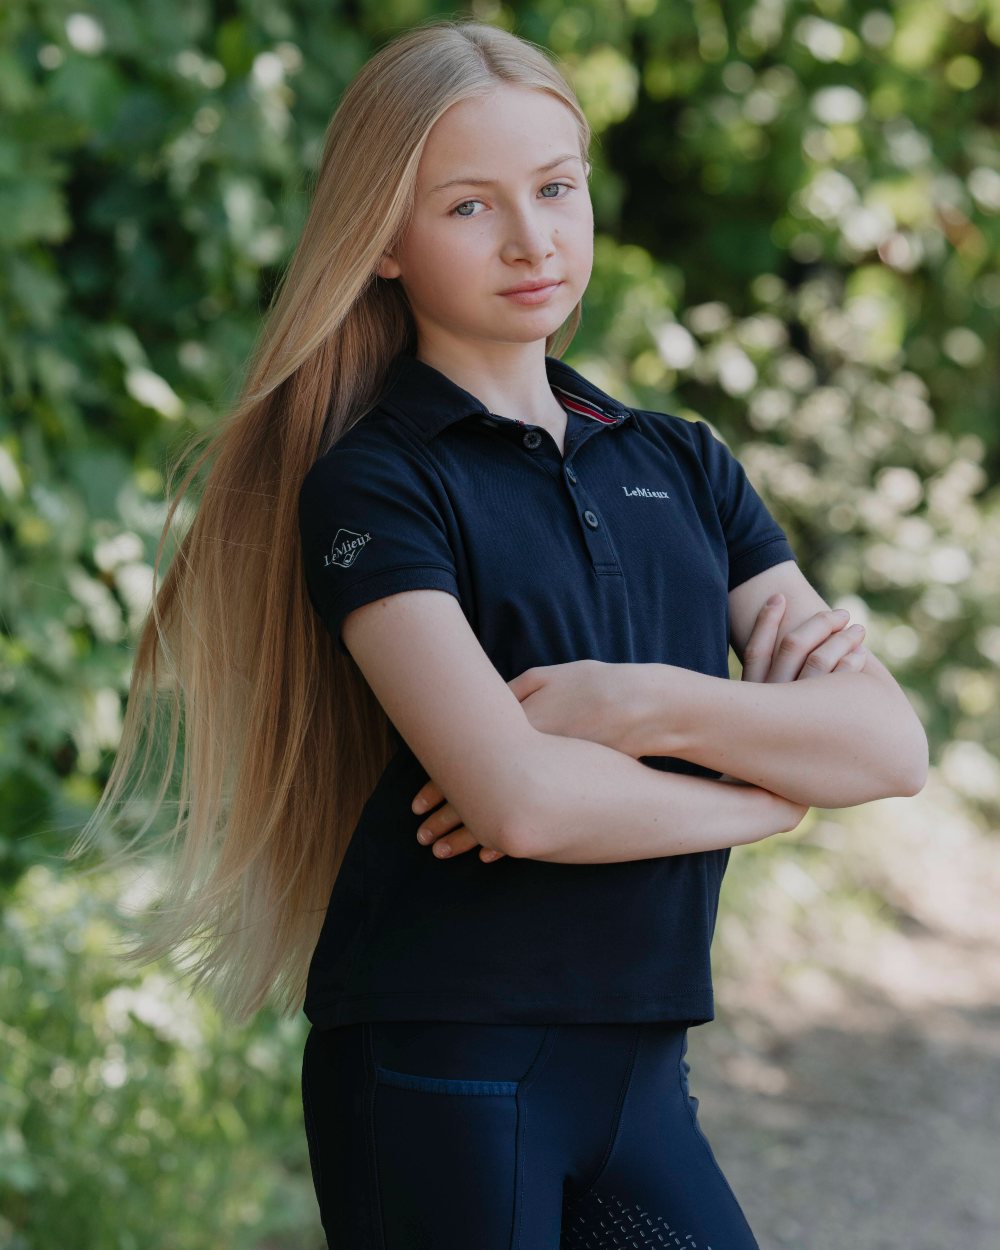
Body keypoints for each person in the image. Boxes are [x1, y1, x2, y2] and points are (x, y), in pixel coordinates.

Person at [72, 18, 928, 1250]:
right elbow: (520, 802)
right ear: (381, 243)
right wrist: (770, 796)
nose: (532, 238)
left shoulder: (681, 462)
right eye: (469, 206)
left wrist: (640, 708)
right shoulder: (374, 485)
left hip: (645, 1070)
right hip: (442, 1073)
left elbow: (888, 747)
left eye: (555, 189)